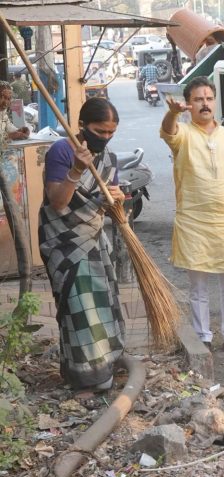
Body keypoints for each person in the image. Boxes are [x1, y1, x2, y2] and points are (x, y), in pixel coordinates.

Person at [160, 76, 224, 358]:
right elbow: (167, 131)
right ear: (189, 104)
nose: (204, 104)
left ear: (215, 103)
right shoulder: (183, 133)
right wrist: (173, 112)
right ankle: (203, 337)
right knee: (198, 286)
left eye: (209, 98)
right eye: (198, 99)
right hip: (194, 221)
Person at [39, 97, 126, 390]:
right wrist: (76, 170)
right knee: (78, 309)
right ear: (82, 126)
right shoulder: (61, 151)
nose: (105, 138)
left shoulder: (109, 160)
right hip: (63, 243)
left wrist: (116, 200)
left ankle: (104, 367)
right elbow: (59, 202)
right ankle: (83, 376)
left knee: (100, 303)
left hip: (93, 239)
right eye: (100, 132)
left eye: (111, 133)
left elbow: (103, 207)